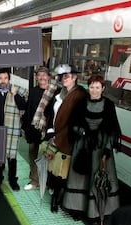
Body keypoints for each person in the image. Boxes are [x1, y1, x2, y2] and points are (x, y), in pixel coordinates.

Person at [61, 75, 121, 224]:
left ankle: (96, 212)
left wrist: (107, 149)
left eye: (97, 87)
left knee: (97, 178)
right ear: (89, 88)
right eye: (92, 87)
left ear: (103, 89)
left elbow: (112, 129)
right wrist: (82, 132)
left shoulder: (108, 105)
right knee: (80, 179)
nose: (94, 90)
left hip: (100, 148)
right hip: (83, 145)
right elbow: (72, 124)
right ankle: (78, 209)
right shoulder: (81, 103)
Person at [44, 64, 87, 212]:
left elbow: (75, 121)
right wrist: (50, 131)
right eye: (62, 77)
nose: (64, 79)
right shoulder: (59, 93)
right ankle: (55, 194)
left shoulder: (80, 95)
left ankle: (57, 200)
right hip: (54, 135)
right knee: (54, 168)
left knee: (62, 172)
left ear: (75, 78)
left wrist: (59, 137)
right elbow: (49, 112)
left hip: (68, 138)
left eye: (67, 77)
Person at [0, 68, 28, 191]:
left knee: (12, 157)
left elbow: (23, 107)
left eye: (5, 78)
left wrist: (15, 95)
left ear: (9, 79)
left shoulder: (15, 91)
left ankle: (12, 179)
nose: (3, 81)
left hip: (10, 129)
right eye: (0, 78)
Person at [22, 66, 59, 191]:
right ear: (36, 77)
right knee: (33, 155)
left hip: (49, 130)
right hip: (33, 129)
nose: (42, 77)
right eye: (39, 75)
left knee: (49, 157)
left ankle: (49, 182)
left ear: (49, 77)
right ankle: (34, 180)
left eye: (44, 75)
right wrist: (27, 128)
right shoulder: (33, 91)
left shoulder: (55, 92)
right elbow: (28, 110)